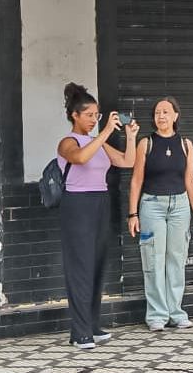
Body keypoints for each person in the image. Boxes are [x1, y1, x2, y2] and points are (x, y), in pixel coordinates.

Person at [56, 83, 139, 349]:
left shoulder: (97, 141)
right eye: (89, 115)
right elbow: (79, 158)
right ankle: (79, 332)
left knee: (97, 265)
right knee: (80, 267)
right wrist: (103, 133)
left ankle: (92, 325)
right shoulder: (68, 142)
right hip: (77, 204)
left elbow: (128, 161)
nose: (94, 120)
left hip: (100, 202)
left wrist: (131, 136)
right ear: (74, 116)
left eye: (97, 115)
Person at [127, 97, 193, 331]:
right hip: (152, 205)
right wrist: (132, 214)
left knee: (176, 259)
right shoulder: (146, 144)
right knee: (154, 260)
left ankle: (176, 312)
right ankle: (156, 315)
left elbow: (190, 179)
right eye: (157, 113)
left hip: (180, 206)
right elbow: (136, 180)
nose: (161, 116)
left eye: (165, 112)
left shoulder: (186, 144)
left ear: (176, 115)